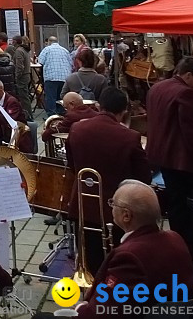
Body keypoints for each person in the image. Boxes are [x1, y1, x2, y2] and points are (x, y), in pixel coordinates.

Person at [76, 180, 193, 318]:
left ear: (126, 215)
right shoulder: (175, 237)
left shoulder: (129, 257)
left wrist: (79, 309)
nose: (111, 207)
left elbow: (102, 313)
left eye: (113, 204)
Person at [65, 86, 151, 274]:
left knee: (88, 255)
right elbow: (143, 178)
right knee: (114, 261)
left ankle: (90, 294)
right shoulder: (130, 137)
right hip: (116, 210)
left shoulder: (77, 128)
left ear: (99, 105)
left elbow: (73, 166)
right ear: (123, 112)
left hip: (83, 204)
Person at [146, 56, 193, 267]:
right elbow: (192, 133)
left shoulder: (158, 88)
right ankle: (190, 252)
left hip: (160, 155)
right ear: (188, 75)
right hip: (180, 161)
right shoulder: (185, 93)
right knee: (185, 209)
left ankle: (177, 247)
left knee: (174, 205)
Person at [0, 79, 30, 151]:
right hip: (6, 138)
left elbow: (11, 122)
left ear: (1, 89)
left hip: (19, 140)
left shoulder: (12, 102)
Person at [38, 36, 73, 116]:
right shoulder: (65, 50)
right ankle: (61, 113)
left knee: (51, 97)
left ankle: (52, 115)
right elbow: (71, 63)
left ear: (49, 42)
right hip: (64, 76)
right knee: (60, 96)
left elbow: (40, 62)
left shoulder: (46, 49)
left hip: (51, 76)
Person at [9, 35, 34, 117]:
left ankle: (28, 115)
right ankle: (28, 114)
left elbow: (20, 66)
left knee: (23, 97)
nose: (11, 42)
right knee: (24, 96)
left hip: (22, 76)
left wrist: (16, 77)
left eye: (12, 40)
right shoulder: (24, 50)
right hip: (26, 75)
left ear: (15, 41)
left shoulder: (19, 51)